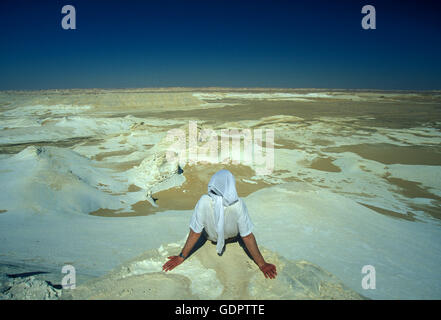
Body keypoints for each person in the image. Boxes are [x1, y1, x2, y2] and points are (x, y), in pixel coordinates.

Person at [162, 169, 277, 279]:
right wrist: (262, 264)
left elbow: (195, 232)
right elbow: (246, 236)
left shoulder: (204, 201)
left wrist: (181, 257)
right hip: (234, 238)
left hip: (209, 238)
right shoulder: (238, 204)